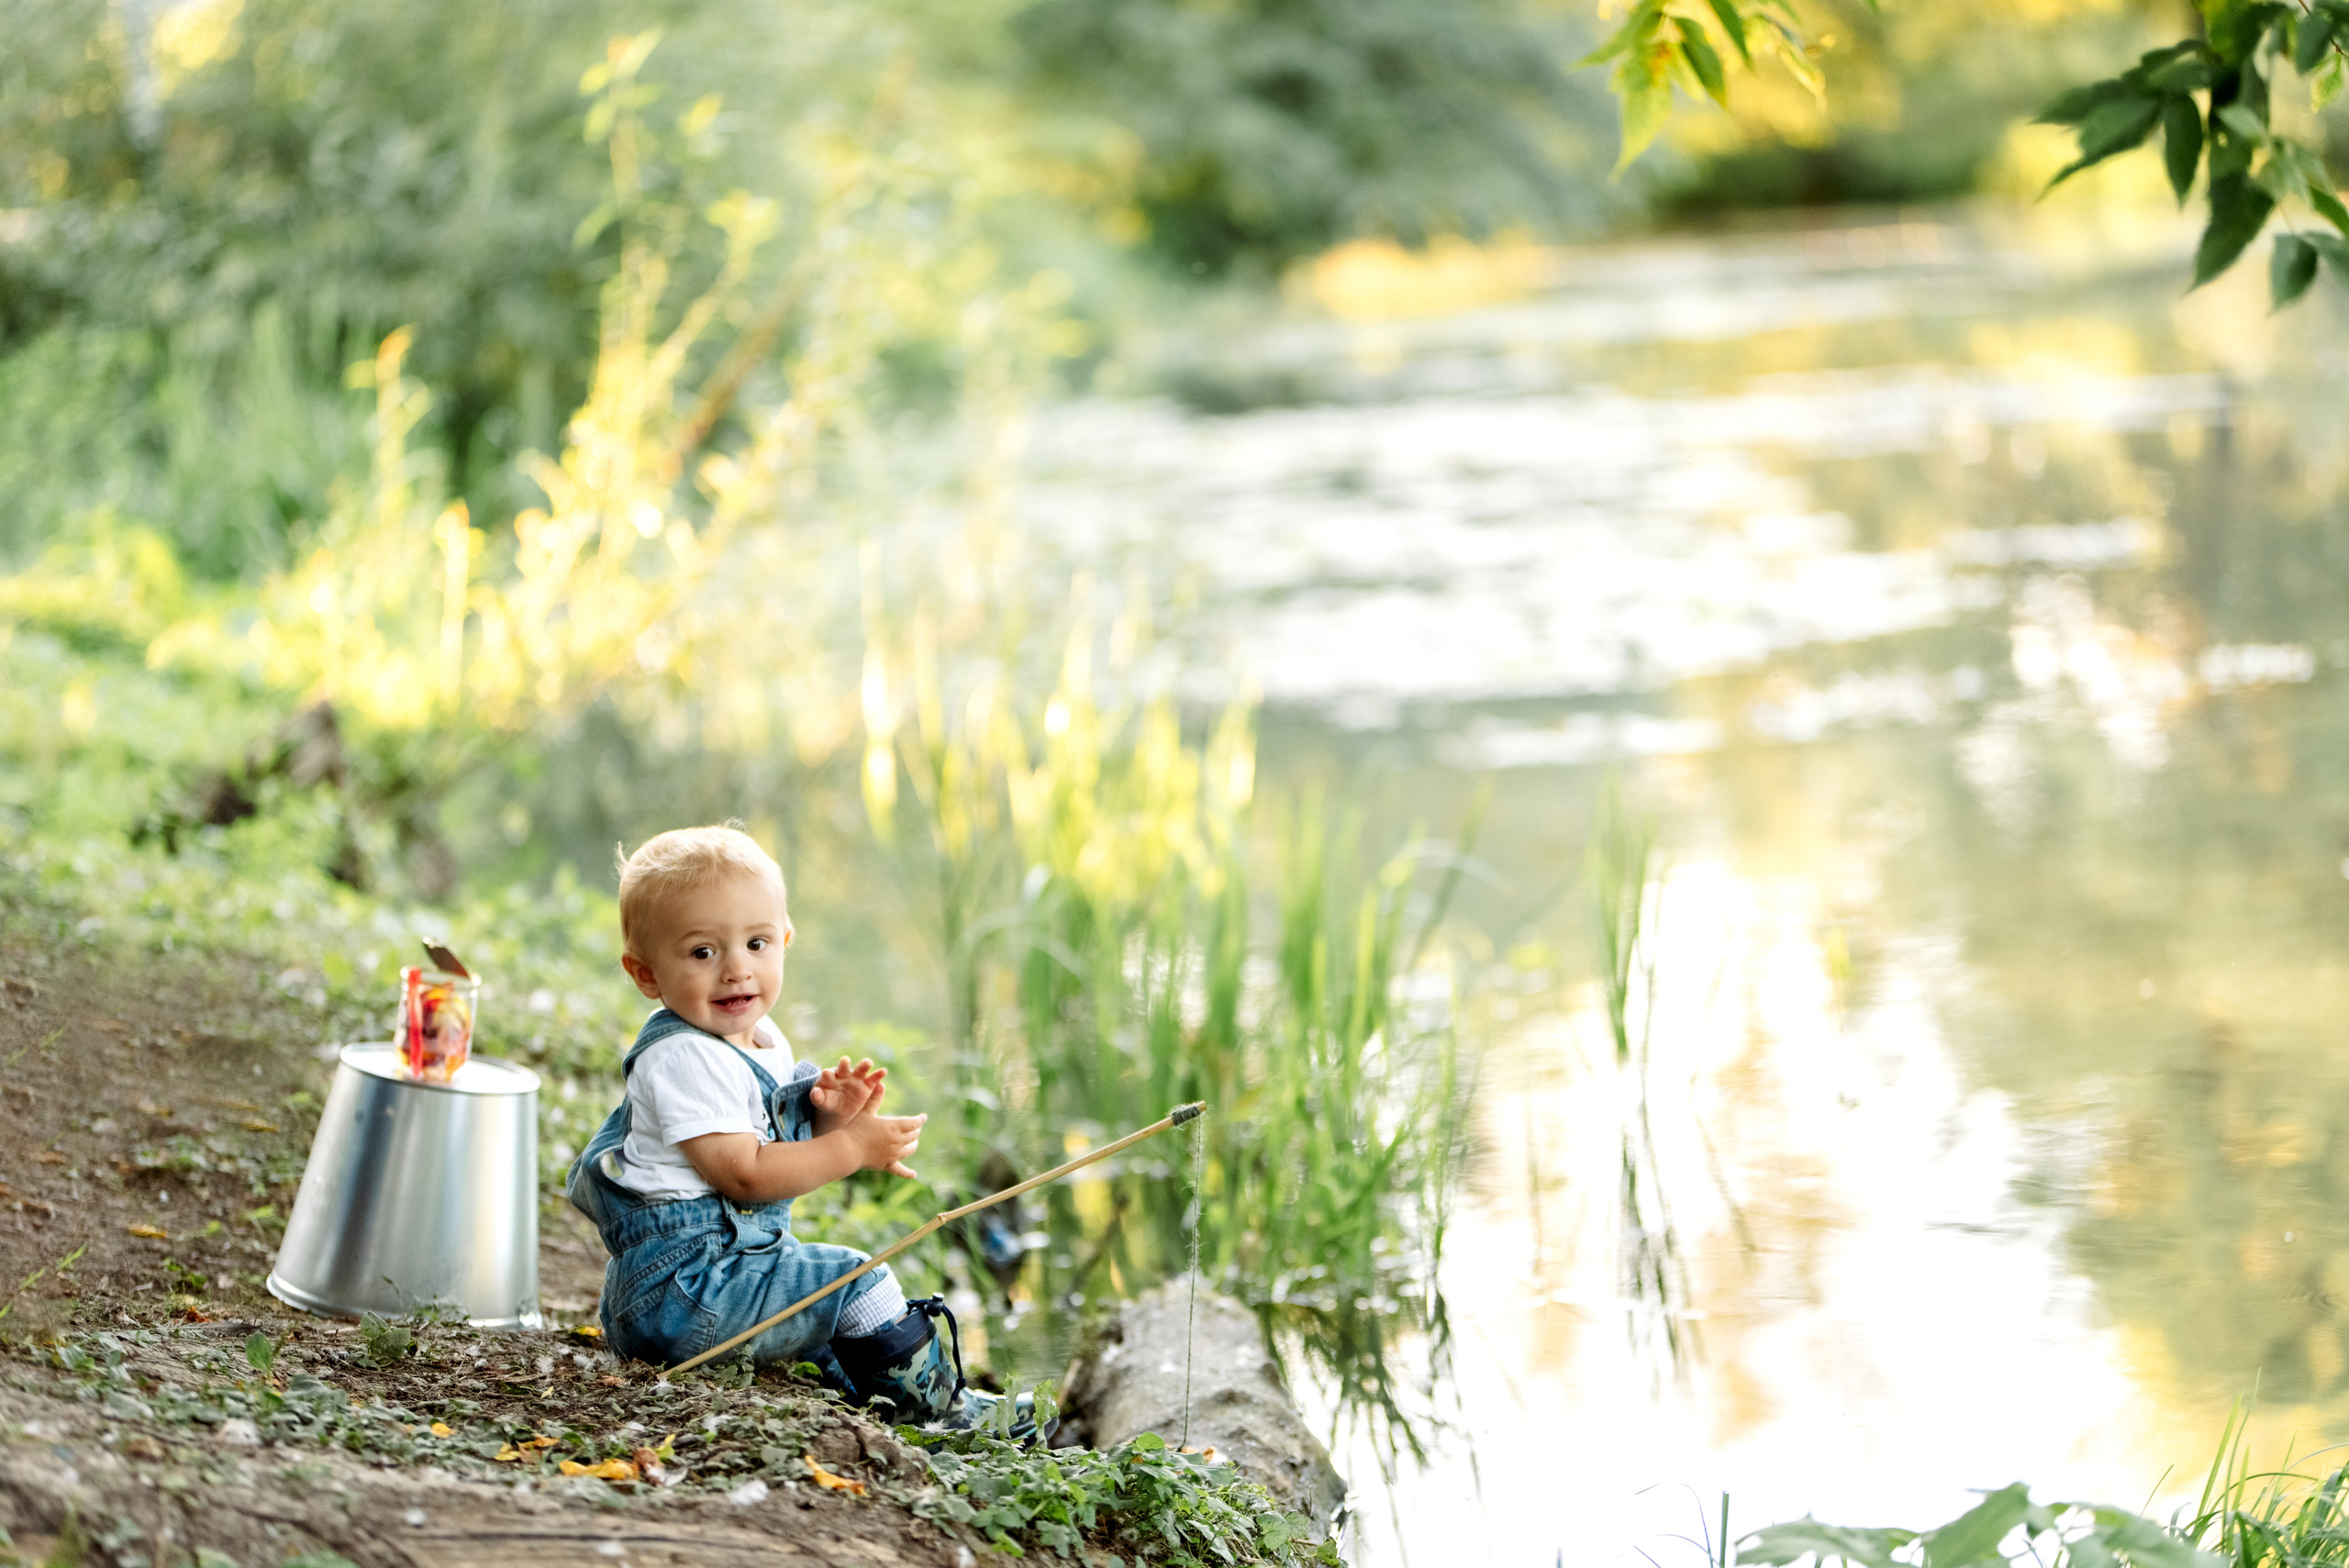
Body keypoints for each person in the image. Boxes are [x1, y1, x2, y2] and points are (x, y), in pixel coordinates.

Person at [565, 823, 1016, 1429]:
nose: (735, 970)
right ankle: (942, 1415)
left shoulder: (759, 1040)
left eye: (756, 943)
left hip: (720, 1274)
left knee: (828, 1333)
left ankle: (898, 1402)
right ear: (646, 974)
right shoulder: (682, 1057)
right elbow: (747, 1176)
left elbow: (767, 1146)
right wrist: (849, 1149)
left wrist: (829, 1120)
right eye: (703, 951)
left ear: (784, 939)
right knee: (856, 1279)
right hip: (683, 1292)